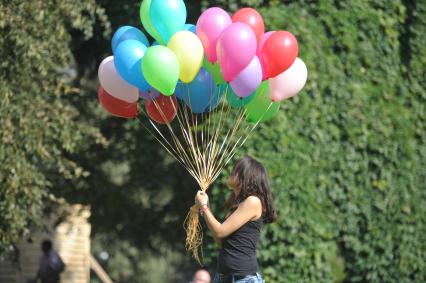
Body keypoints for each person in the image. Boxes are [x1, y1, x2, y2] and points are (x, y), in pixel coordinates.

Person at [195, 155, 276, 283]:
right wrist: (206, 207)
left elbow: (220, 231)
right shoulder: (236, 203)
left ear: (247, 177)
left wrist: (204, 207)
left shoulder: (253, 201)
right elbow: (220, 240)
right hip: (223, 277)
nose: (231, 172)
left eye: (235, 170)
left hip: (243, 279)